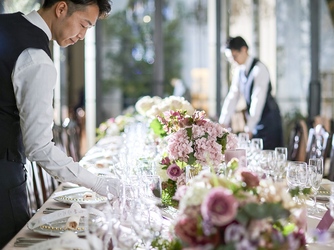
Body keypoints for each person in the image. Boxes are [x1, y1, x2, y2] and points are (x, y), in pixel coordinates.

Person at [0, 0, 119, 247]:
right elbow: (39, 147)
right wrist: (97, 183)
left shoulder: (5, 24)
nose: (83, 36)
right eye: (83, 25)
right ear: (62, 8)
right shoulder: (37, 59)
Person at [219, 36, 283, 149]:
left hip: (268, 121)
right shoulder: (239, 71)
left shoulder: (259, 69)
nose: (233, 61)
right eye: (230, 58)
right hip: (255, 121)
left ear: (244, 50)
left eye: (234, 56)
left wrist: (249, 128)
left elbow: (257, 100)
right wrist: (222, 123)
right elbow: (233, 96)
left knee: (268, 158)